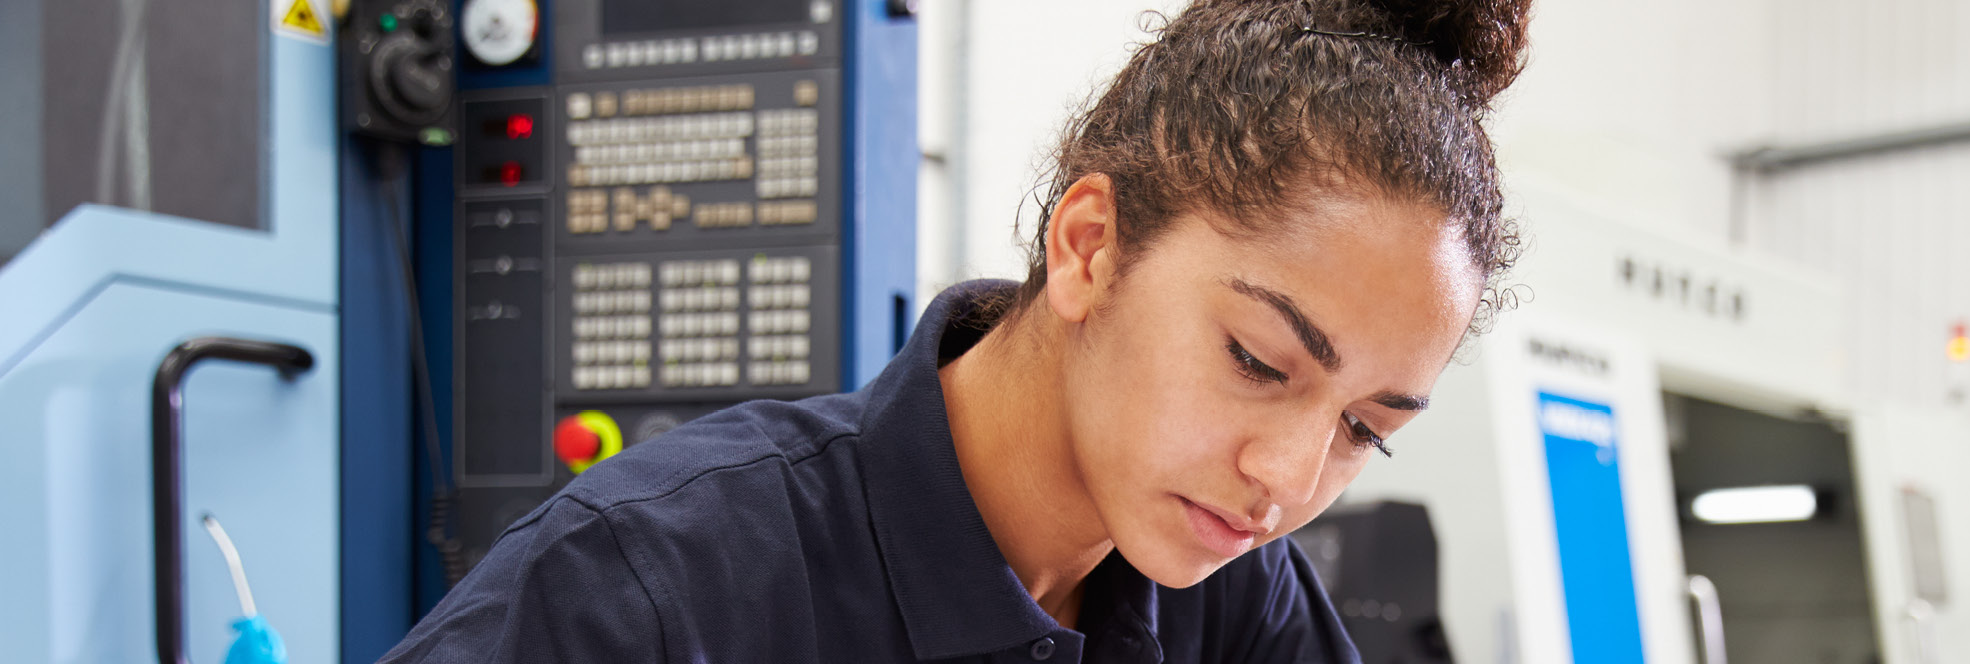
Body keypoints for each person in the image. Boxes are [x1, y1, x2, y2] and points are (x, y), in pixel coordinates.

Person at [379, 0, 1530, 661]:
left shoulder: (1228, 598)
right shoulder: (651, 588)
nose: (1283, 478)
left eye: (1364, 430)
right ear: (1090, 247)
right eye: (1256, 361)